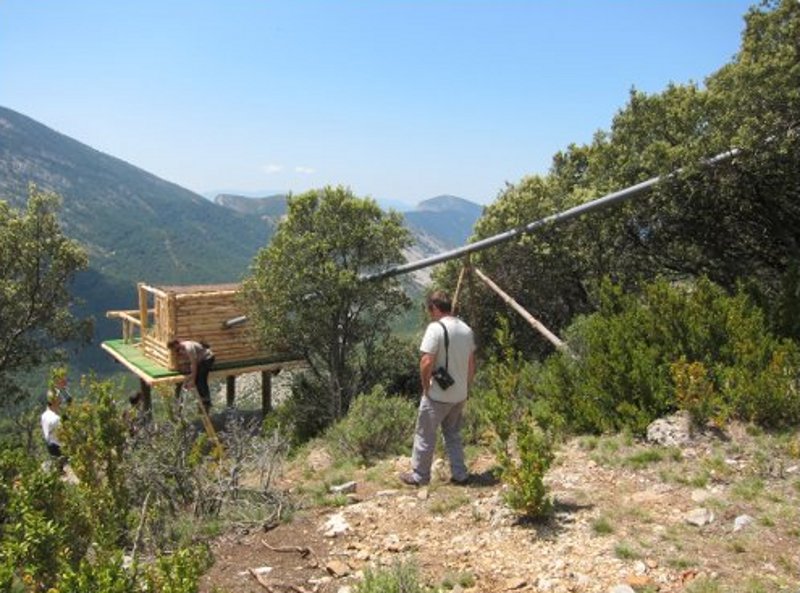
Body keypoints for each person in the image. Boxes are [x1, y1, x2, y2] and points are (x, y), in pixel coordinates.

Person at [400, 290, 476, 487]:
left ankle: (419, 476)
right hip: (459, 394)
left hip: (438, 394)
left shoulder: (436, 328)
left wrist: (426, 386)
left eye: (429, 309)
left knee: (425, 434)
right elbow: (471, 364)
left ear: (434, 308)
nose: (429, 313)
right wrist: (465, 388)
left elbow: (426, 361)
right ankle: (460, 474)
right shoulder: (466, 330)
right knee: (453, 434)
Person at [167, 339, 215, 411]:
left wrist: (192, 379)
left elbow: (194, 364)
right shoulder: (181, 348)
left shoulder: (189, 347)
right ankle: (202, 399)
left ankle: (206, 401)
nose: (175, 350)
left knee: (201, 379)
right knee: (197, 377)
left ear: (177, 344)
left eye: (174, 348)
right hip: (200, 360)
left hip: (208, 359)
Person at [41, 390, 66, 470]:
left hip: (50, 446)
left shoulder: (44, 415)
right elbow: (65, 435)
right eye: (59, 398)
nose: (61, 400)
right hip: (59, 449)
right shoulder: (56, 419)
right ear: (55, 401)